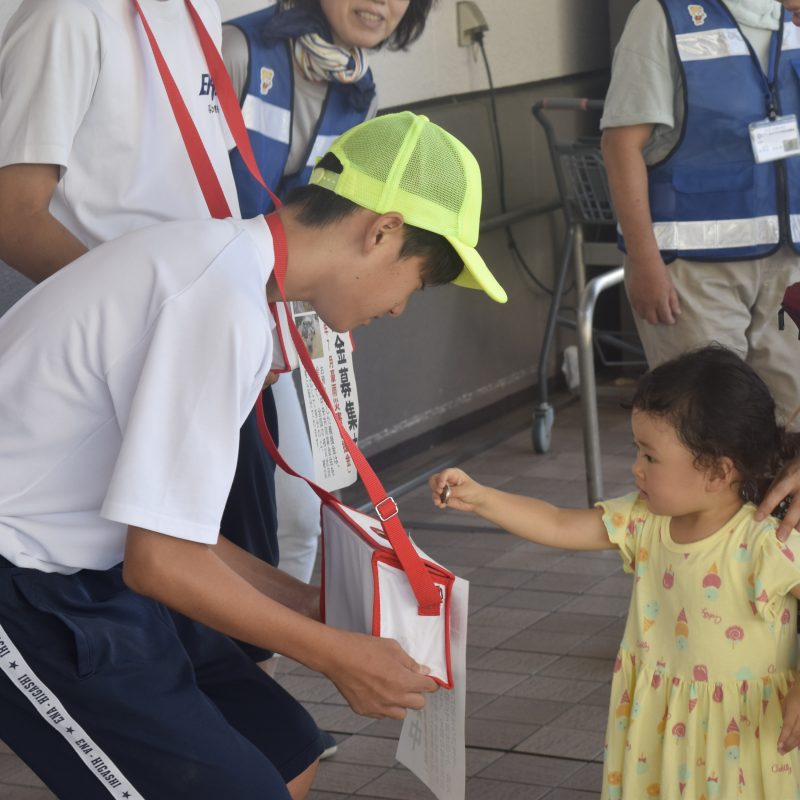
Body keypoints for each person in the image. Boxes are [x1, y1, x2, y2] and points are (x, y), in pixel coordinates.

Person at [0, 112, 507, 799]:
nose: (398, 310)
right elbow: (161, 562)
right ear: (381, 231)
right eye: (415, 282)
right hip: (26, 584)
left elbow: (173, 533)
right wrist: (339, 657)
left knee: (286, 750)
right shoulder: (221, 305)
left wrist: (309, 604)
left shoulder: (219, 264)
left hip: (92, 563)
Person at [0, 0, 281, 664]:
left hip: (208, 343)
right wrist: (152, 318)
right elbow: (13, 215)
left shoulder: (196, 11)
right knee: (180, 619)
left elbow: (200, 189)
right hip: (138, 371)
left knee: (239, 647)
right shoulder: (68, 16)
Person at [430, 344, 800, 799]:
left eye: (650, 456)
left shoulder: (766, 540)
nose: (635, 468)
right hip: (660, 728)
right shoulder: (646, 520)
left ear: (718, 471)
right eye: (637, 451)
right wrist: (482, 497)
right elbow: (558, 522)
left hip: (743, 737)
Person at [222, 0, 436, 586]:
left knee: (302, 508)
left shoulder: (359, 85)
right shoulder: (239, 50)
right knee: (216, 507)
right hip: (214, 307)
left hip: (289, 315)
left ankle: (267, 663)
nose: (381, 3)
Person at [600, 0, 800, 422]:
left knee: (794, 425)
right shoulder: (662, 15)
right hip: (694, 271)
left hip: (791, 266)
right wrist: (643, 259)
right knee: (706, 427)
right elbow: (622, 145)